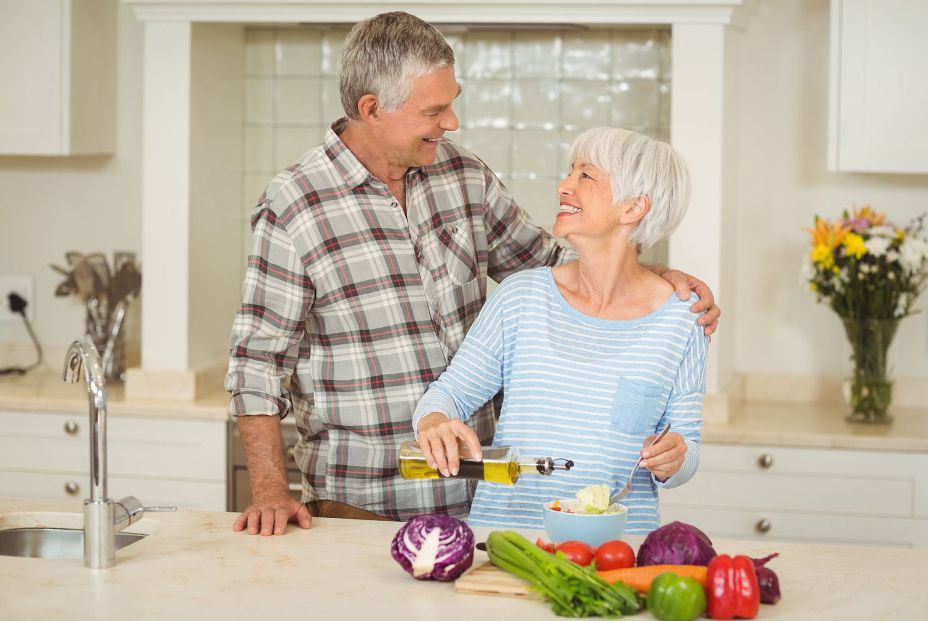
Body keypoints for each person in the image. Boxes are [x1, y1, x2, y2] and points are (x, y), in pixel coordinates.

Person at [225, 12, 719, 536]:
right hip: (364, 504)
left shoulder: (462, 175)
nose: (452, 122)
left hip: (483, 500)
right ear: (372, 109)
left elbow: (560, 269)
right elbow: (257, 362)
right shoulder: (295, 205)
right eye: (435, 110)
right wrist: (272, 491)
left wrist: (654, 278)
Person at [414, 127, 706, 534]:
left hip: (617, 545)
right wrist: (433, 422)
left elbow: (687, 446)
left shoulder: (683, 319)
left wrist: (675, 460)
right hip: (504, 538)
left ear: (634, 207)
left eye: (586, 176)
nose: (564, 186)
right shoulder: (522, 297)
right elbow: (450, 394)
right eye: (571, 172)